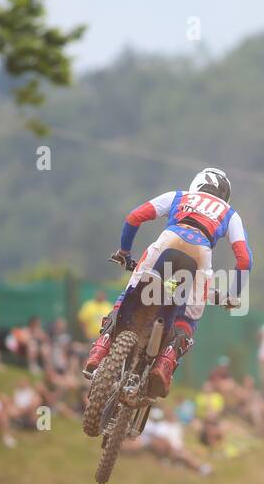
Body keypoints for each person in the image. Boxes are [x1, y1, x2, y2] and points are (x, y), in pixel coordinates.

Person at [82, 167, 253, 398]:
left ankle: (101, 346)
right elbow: (244, 259)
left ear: (198, 184)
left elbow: (135, 216)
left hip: (168, 241)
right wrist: (233, 294)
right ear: (225, 195)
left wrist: (124, 252)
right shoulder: (230, 213)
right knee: (189, 316)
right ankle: (165, 362)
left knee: (131, 290)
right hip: (201, 253)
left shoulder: (179, 196)